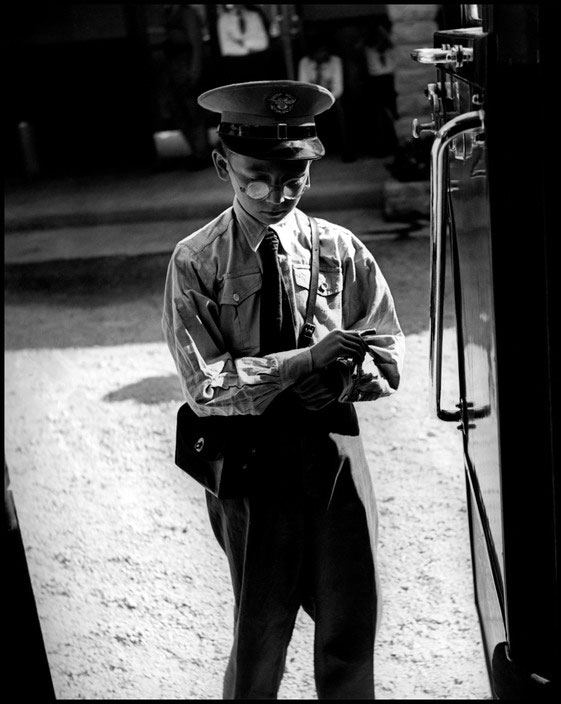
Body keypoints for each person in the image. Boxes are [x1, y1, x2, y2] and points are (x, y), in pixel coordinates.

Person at [162, 80, 405, 699]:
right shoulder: (197, 262)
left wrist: (346, 377)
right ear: (223, 166)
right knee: (260, 637)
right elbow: (206, 388)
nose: (275, 194)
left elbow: (388, 355)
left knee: (351, 630)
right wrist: (303, 362)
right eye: (256, 178)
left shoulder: (340, 249)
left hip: (333, 459)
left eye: (294, 176)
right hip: (250, 467)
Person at [161, 4, 212, 169]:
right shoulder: (170, 14)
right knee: (179, 110)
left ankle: (201, 153)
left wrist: (194, 70)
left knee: (192, 111)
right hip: (174, 68)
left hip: (185, 65)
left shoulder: (187, 13)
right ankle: (196, 151)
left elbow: (196, 43)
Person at [297, 37, 354, 161]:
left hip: (331, 98)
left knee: (341, 111)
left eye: (324, 51)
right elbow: (304, 87)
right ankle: (311, 152)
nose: (322, 54)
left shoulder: (335, 61)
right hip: (312, 100)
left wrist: (326, 101)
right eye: (318, 52)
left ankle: (347, 151)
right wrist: (315, 102)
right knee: (302, 113)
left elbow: (338, 88)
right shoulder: (305, 62)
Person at [363, 24, 399, 157]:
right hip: (376, 82)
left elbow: (391, 43)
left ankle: (397, 144)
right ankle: (381, 147)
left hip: (390, 80)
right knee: (379, 116)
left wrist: (384, 35)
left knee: (394, 113)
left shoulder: (390, 49)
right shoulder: (369, 49)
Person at [216, 4, 273, 84]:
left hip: (257, 64)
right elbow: (226, 49)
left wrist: (242, 43)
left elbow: (263, 43)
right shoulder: (224, 19)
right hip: (234, 67)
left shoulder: (254, 16)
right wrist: (249, 47)